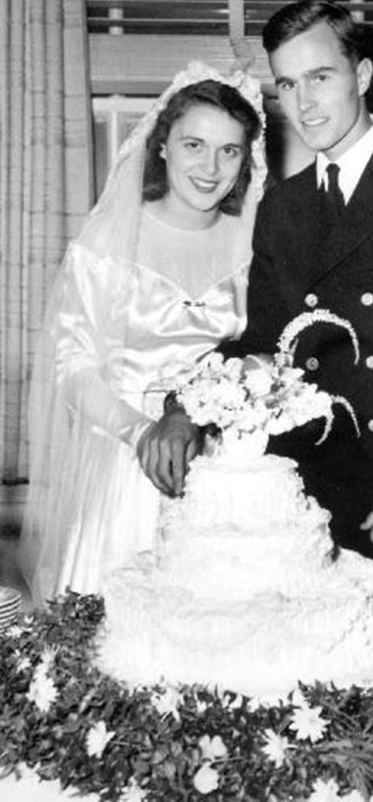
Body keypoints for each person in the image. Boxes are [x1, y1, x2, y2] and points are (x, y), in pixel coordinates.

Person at [143, 0, 373, 606]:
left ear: (362, 77)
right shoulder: (283, 208)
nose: (304, 102)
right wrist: (184, 406)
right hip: (311, 500)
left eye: (321, 77)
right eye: (287, 83)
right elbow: (263, 343)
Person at [20, 63, 266, 605]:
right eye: (194, 145)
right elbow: (72, 368)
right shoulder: (107, 243)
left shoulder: (254, 246)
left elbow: (264, 353)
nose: (210, 166)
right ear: (161, 146)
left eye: (229, 151)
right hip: (126, 466)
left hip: (226, 471)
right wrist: (141, 433)